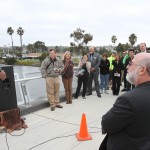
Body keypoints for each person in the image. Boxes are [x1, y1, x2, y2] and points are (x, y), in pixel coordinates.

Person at [100, 53, 150, 150]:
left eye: (131, 63)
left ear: (142, 70)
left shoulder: (129, 100)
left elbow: (107, 124)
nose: (127, 66)